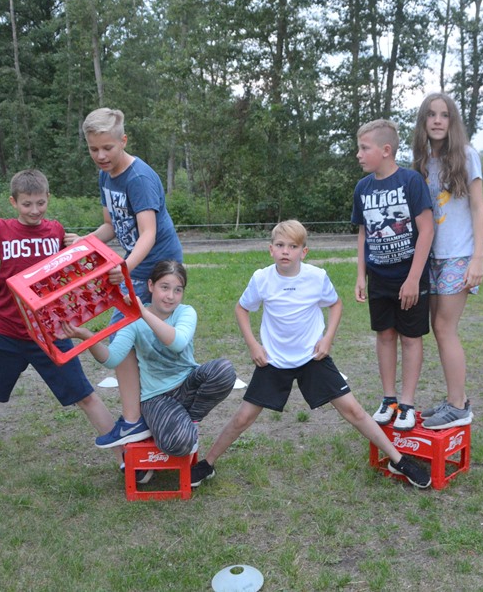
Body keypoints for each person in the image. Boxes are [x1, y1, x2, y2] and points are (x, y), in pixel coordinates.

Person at [190, 221, 431, 489]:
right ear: (271, 249)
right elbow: (241, 308)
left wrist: (327, 338)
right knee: (243, 417)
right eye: (280, 245)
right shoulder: (261, 278)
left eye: (293, 246)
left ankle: (398, 460)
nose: (286, 251)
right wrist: (253, 345)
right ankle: (207, 463)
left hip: (312, 358)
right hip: (274, 360)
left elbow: (336, 304)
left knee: (353, 410)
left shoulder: (316, 277)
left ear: (303, 252)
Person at [0, 170, 122, 469]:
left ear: (48, 198)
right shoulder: (2, 231)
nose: (35, 210)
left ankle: (124, 458)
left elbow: (82, 269)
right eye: (27, 204)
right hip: (8, 331)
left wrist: (83, 246)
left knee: (85, 395)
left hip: (51, 332)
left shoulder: (56, 231)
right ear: (13, 202)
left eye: (40, 203)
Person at [70, 107, 183, 448]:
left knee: (126, 336)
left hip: (157, 267)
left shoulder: (139, 179)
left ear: (123, 140)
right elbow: (111, 225)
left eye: (108, 147)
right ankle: (140, 417)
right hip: (134, 265)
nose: (101, 156)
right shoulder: (105, 176)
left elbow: (148, 233)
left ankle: (136, 420)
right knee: (130, 339)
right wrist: (85, 242)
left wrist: (123, 268)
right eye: (94, 149)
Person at [63, 260, 236, 471]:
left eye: (178, 290)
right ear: (151, 285)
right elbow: (112, 359)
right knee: (180, 445)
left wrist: (143, 313)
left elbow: (178, 342)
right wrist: (86, 336)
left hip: (187, 384)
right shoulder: (132, 321)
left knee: (224, 370)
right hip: (157, 396)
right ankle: (170, 423)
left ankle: (191, 418)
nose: (170, 296)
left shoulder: (185, 312)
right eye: (165, 287)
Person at [352, 119, 434, 431]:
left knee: (410, 338)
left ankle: (408, 404)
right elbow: (363, 233)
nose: (359, 154)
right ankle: (389, 400)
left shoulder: (411, 181)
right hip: (379, 278)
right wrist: (361, 275)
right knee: (385, 336)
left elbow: (427, 230)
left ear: (386, 150)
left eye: (364, 148)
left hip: (410, 277)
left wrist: (413, 278)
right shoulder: (362, 188)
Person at [411, 93, 483, 430]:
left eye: (444, 115)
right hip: (431, 257)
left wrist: (477, 258)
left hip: (459, 254)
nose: (438, 120)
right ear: (423, 122)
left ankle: (458, 406)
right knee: (438, 329)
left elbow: (478, 208)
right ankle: (457, 398)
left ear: (452, 121)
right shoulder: (422, 161)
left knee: (445, 327)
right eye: (431, 115)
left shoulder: (467, 155)